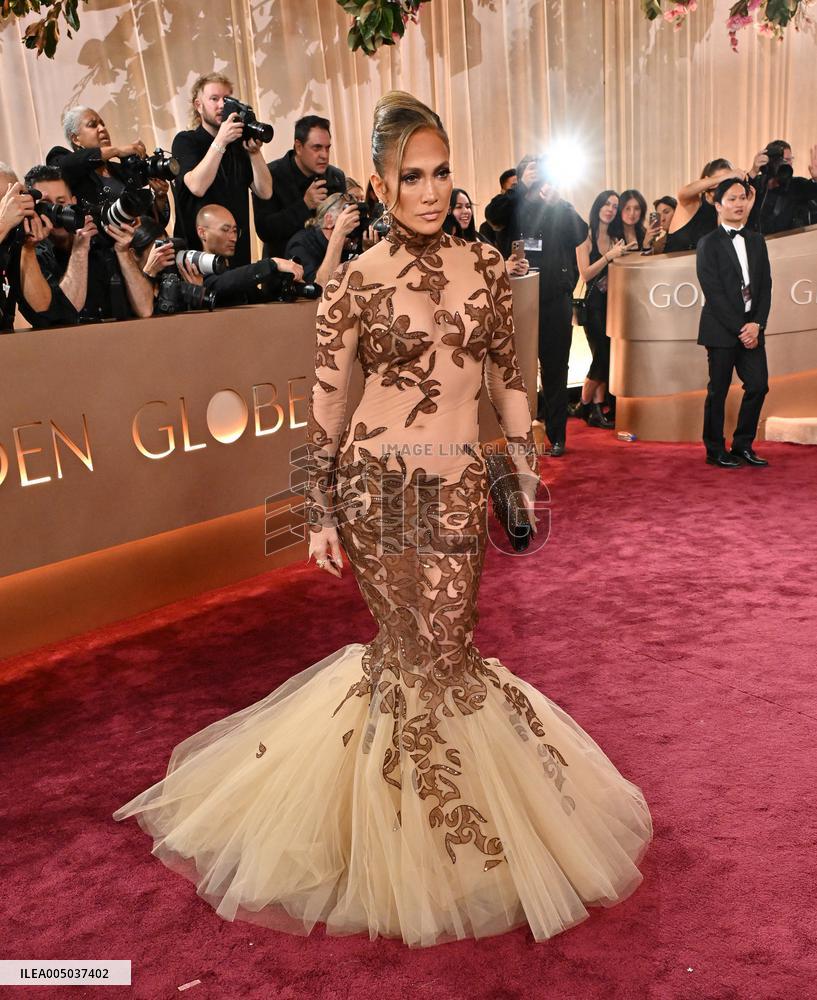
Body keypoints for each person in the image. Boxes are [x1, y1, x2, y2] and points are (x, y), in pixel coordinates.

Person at [114, 90, 652, 948]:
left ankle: (433, 836)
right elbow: (326, 407)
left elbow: (509, 377)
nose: (431, 191)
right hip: (377, 491)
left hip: (456, 486)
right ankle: (423, 849)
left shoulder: (484, 265)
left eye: (441, 173)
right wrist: (318, 510)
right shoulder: (355, 280)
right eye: (411, 177)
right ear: (380, 183)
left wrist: (523, 462)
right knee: (422, 654)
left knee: (441, 652)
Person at [485, 156, 588, 456]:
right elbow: (493, 216)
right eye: (533, 169)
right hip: (518, 298)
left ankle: (557, 436)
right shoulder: (511, 204)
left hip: (555, 298)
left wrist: (559, 202)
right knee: (515, 369)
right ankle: (515, 434)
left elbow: (580, 232)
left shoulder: (556, 206)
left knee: (556, 369)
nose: (539, 174)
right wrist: (520, 188)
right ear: (520, 175)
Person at [696, 177, 771, 468]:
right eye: (732, 199)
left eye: (743, 198)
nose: (739, 204)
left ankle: (743, 445)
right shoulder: (708, 244)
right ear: (718, 205)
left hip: (752, 328)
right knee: (719, 389)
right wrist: (742, 329)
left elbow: (766, 287)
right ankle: (714, 448)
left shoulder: (757, 240)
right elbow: (713, 292)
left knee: (758, 385)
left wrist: (758, 325)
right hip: (721, 330)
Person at [19, 165, 154, 326]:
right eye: (47, 205)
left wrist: (123, 251)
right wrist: (80, 250)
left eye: (61, 202)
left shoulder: (100, 240)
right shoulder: (32, 253)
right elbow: (64, 315)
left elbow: (145, 309)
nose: (56, 210)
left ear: (73, 202)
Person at [171, 73, 272, 268]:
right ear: (198, 105)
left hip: (237, 257)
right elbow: (197, 186)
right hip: (198, 261)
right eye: (214, 99)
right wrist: (221, 141)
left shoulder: (237, 145)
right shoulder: (186, 141)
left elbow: (265, 191)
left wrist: (254, 152)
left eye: (227, 100)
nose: (221, 106)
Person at [47, 107, 170, 227]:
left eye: (102, 124)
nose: (102, 129)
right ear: (76, 139)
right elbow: (64, 165)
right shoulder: (64, 161)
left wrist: (160, 198)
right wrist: (116, 150)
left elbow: (149, 224)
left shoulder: (121, 170)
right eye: (92, 125)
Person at [575, 190, 634, 429]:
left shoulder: (614, 237)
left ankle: (595, 410)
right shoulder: (585, 236)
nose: (610, 209)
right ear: (598, 206)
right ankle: (584, 403)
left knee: (607, 357)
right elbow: (585, 273)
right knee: (602, 356)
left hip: (613, 304)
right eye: (607, 204)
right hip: (593, 305)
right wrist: (609, 256)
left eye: (614, 205)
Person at [254, 115, 347, 259]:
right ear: (298, 147)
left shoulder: (335, 176)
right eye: (317, 148)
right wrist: (304, 205)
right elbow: (265, 231)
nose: (324, 155)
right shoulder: (270, 175)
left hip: (327, 268)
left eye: (327, 148)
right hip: (283, 271)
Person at [195, 203, 303, 307]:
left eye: (235, 231)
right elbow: (223, 283)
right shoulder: (194, 272)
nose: (233, 238)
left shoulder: (237, 275)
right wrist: (273, 264)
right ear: (202, 233)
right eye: (225, 230)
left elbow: (264, 301)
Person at [0, 166, 57, 331]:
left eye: (13, 201)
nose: (11, 210)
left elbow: (41, 310)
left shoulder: (11, 243)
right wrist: (3, 223)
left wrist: (28, 248)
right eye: (4, 203)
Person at [665, 159, 750, 253]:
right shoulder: (693, 201)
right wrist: (725, 177)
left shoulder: (726, 209)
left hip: (706, 266)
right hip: (673, 264)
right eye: (722, 180)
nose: (724, 186)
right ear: (707, 180)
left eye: (728, 181)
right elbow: (683, 193)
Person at [444, 187, 529, 277]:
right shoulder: (442, 244)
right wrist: (501, 269)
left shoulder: (479, 238)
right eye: (458, 207)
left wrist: (517, 267)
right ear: (447, 210)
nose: (466, 211)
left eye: (468, 206)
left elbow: (497, 262)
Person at [284, 192, 359, 286]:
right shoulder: (301, 244)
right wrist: (339, 235)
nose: (353, 225)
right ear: (329, 220)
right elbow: (321, 287)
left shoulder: (349, 242)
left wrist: (368, 250)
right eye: (347, 218)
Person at [747, 139, 817, 234]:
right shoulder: (757, 183)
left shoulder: (796, 185)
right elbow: (741, 194)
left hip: (785, 244)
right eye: (783, 160)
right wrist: (753, 171)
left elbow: (812, 190)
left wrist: (816, 179)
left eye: (790, 159)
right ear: (770, 162)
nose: (787, 164)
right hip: (756, 243)